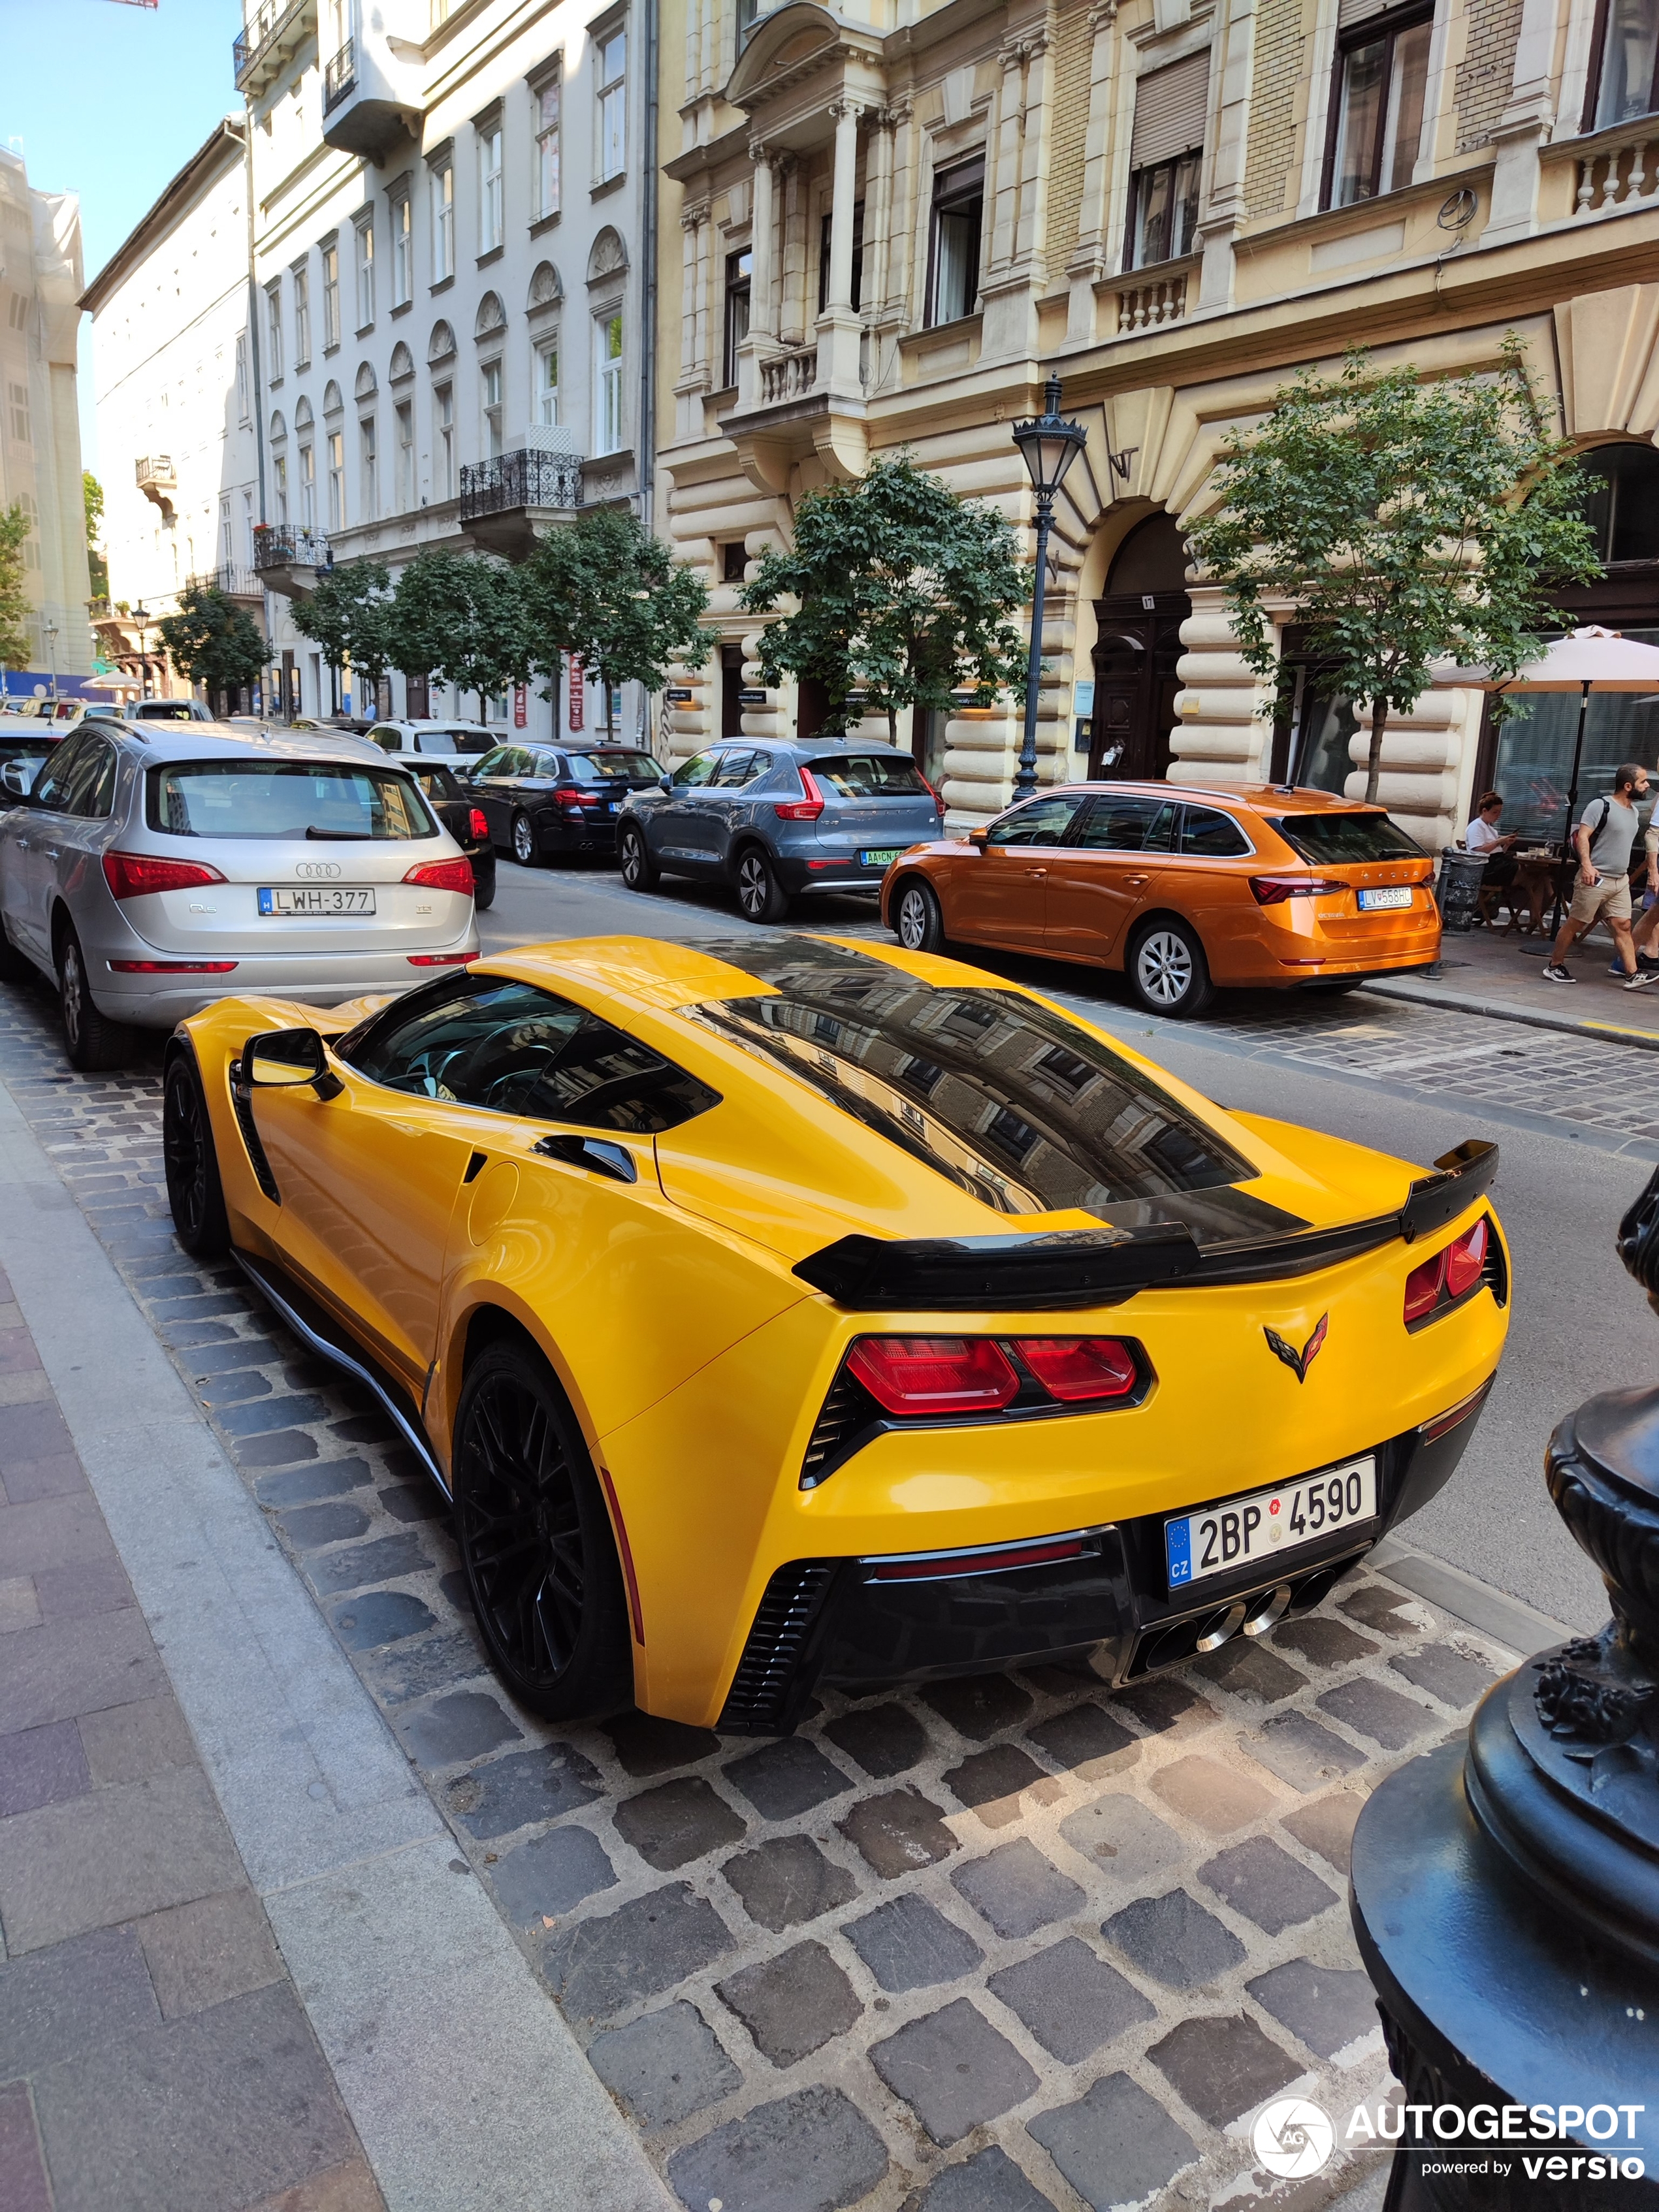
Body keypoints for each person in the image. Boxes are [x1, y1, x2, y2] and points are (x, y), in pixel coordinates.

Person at [1543, 761, 1656, 987]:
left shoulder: (1633, 812)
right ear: (1627, 785)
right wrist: (1587, 865)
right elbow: (1583, 836)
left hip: (1620, 880)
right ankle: (1554, 965)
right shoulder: (1600, 806)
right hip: (1595, 877)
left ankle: (1632, 974)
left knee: (1623, 925)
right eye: (1643, 781)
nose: (1647, 785)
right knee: (1576, 924)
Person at [1464, 791, 1519, 908]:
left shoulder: (1491, 829)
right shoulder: (1476, 826)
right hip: (1487, 868)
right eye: (1495, 812)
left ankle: (1538, 916)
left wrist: (1506, 845)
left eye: (1499, 812)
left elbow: (1498, 852)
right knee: (1530, 874)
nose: (1498, 815)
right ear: (1485, 811)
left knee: (1536, 876)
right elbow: (1478, 850)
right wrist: (1499, 841)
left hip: (1497, 863)